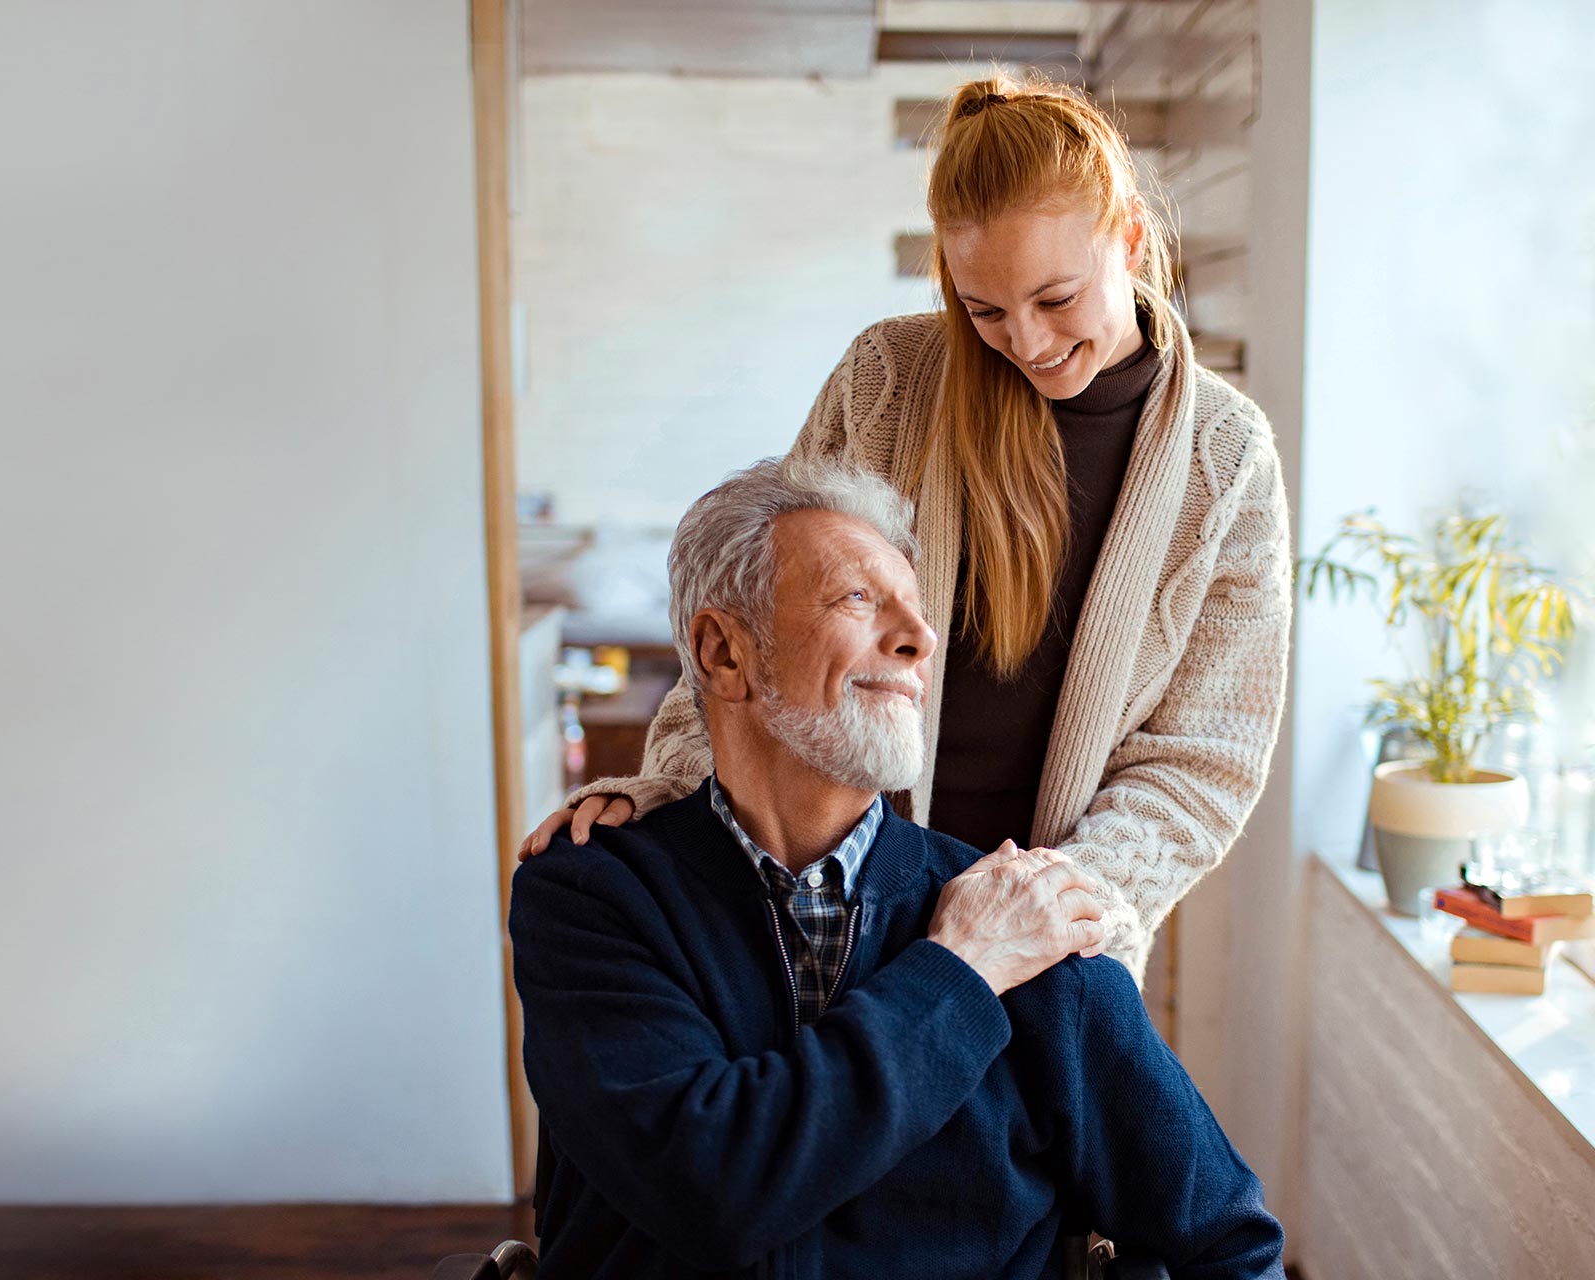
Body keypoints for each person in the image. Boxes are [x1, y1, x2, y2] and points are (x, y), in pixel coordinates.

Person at [519, 72, 1293, 989]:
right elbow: (760, 607)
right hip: (825, 911)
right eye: (985, 310)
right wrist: (674, 793)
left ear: (1129, 235)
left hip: (1052, 956)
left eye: (1055, 299)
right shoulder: (890, 379)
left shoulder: (1228, 458)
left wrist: (1044, 905)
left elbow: (1202, 761)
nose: (1028, 343)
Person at [509, 456, 1283, 1279]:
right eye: (858, 598)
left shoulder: (1035, 930)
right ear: (723, 653)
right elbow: (711, 1188)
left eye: (918, 612)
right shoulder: (591, 894)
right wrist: (961, 972)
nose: (920, 640)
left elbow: (1226, 1240)